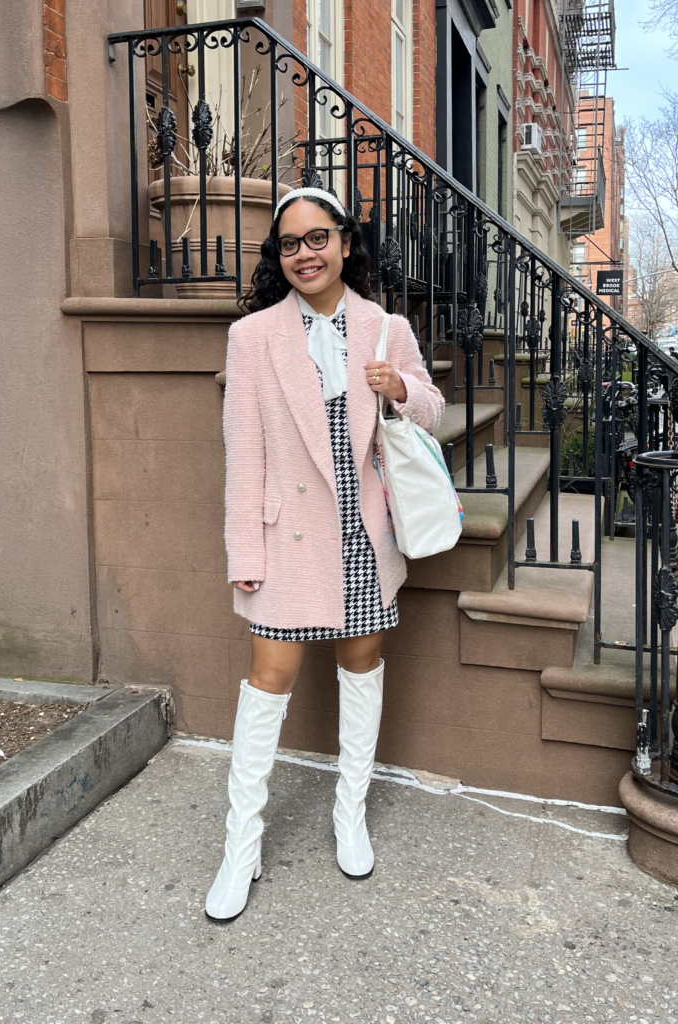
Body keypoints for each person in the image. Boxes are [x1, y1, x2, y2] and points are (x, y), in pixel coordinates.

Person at [206, 186, 445, 922]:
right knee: (267, 680)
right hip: (288, 542)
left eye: (317, 239)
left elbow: (433, 409)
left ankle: (350, 816)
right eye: (289, 244)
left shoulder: (384, 327)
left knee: (361, 668)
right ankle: (239, 850)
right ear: (279, 259)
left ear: (345, 243)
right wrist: (244, 547)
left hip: (364, 533)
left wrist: (399, 386)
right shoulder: (253, 337)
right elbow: (243, 452)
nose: (304, 254)